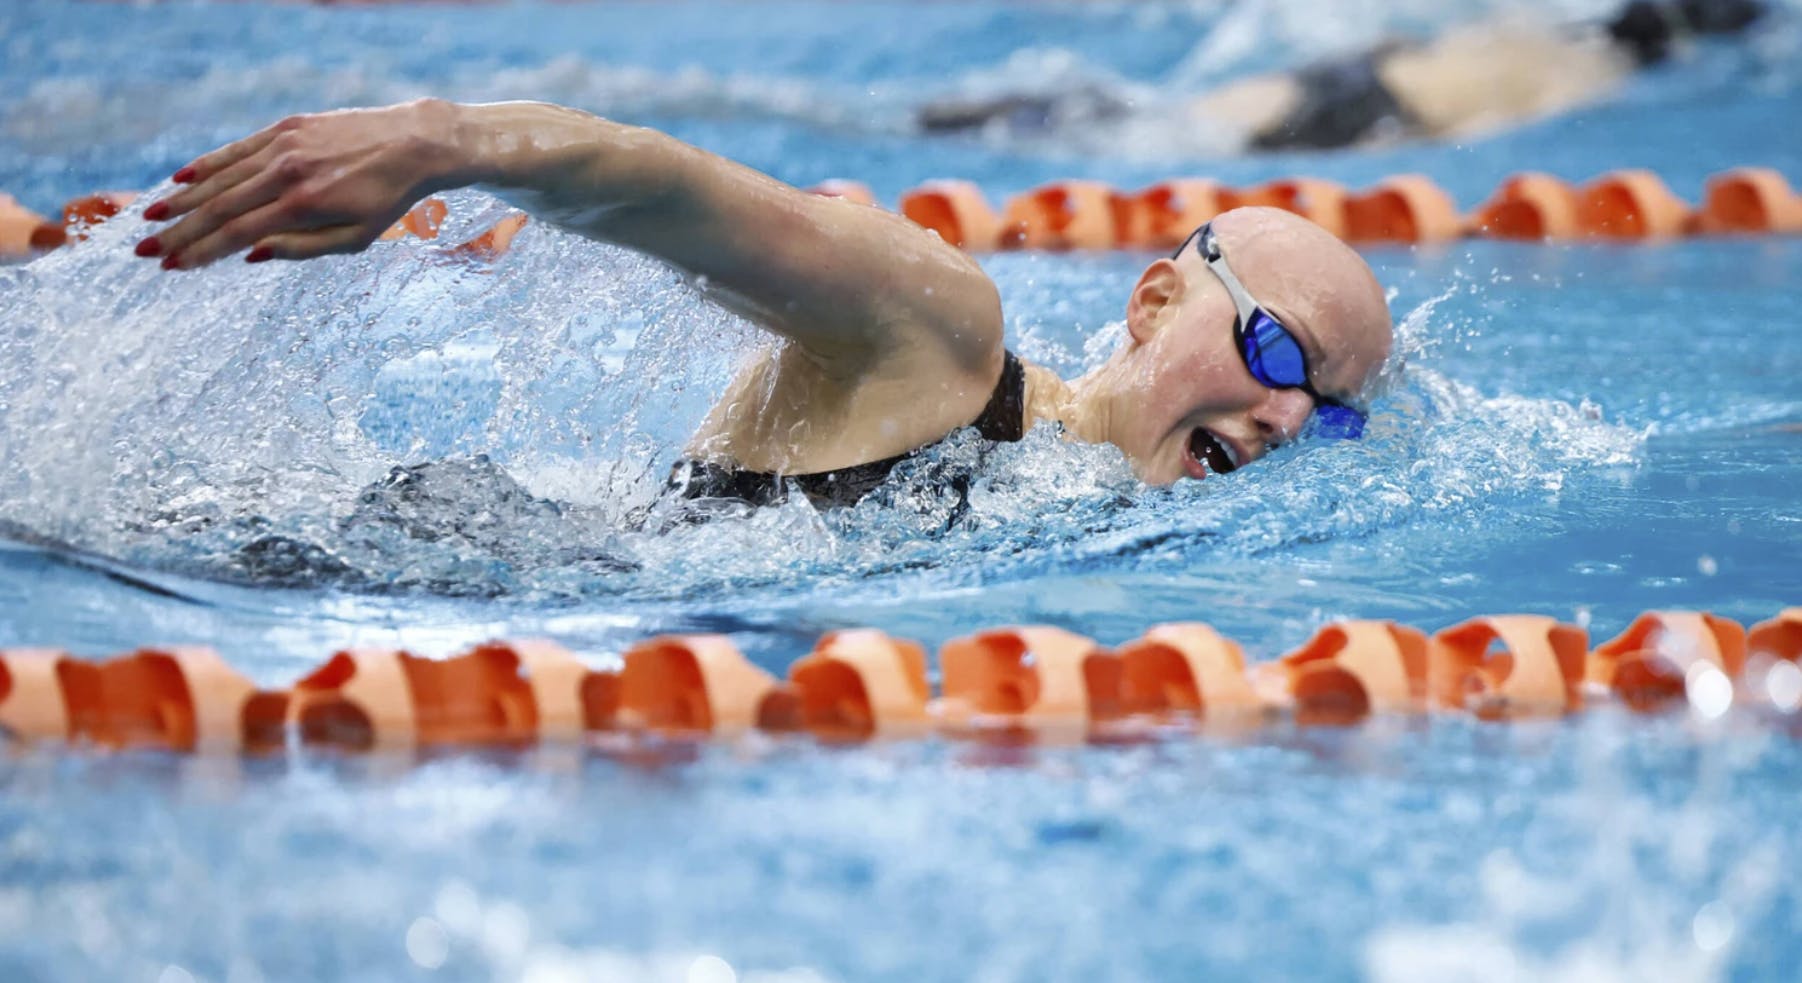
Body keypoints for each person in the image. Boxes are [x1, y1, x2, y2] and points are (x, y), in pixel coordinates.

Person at [130, 99, 1392, 509]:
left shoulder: (1100, 513)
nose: (1285, 415)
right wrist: (438, 142)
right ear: (1153, 299)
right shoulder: (945, 339)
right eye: (1277, 350)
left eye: (1324, 409)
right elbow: (679, 193)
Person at [919, 0, 1768, 151]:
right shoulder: (1592, 74)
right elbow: (1476, 126)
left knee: (1171, 116)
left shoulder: (1538, 27)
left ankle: (965, 115)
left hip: (1361, 70)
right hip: (1377, 110)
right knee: (1177, 136)